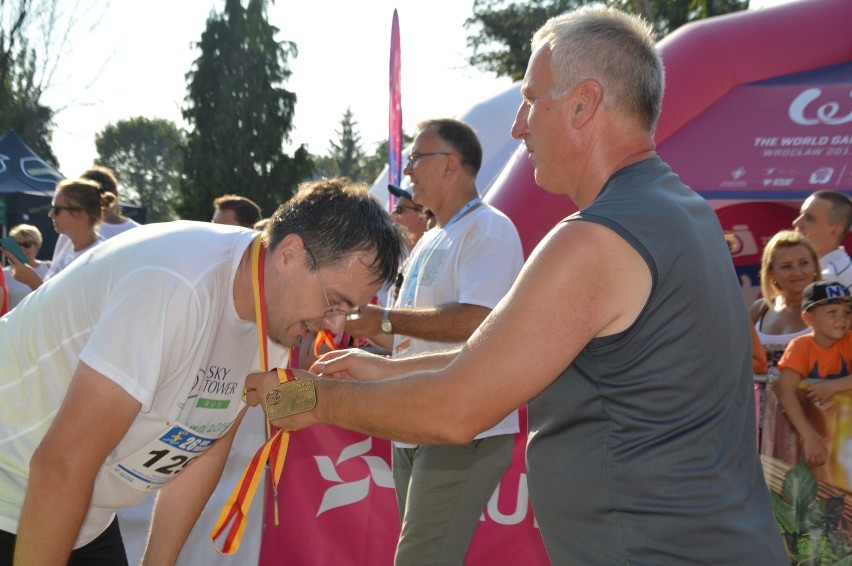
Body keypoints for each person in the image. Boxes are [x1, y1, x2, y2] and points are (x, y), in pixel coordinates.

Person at [245, 7, 787, 564]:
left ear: (583, 104)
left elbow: (456, 409)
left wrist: (315, 398)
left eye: (532, 98)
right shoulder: (679, 210)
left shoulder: (596, 240)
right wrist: (382, 370)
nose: (518, 124)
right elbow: (501, 360)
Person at [0, 178, 405, 565]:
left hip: (82, 514)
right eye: (335, 302)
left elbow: (204, 441)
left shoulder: (273, 305)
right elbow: (61, 466)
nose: (336, 325)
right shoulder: (175, 284)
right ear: (289, 254)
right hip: (16, 492)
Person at [347, 119, 524, 565]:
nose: (407, 168)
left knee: (421, 559)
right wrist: (367, 341)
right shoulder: (430, 238)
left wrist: (383, 320)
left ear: (450, 165)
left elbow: (480, 321)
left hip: (462, 423)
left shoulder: (488, 229)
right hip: (418, 418)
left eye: (416, 157)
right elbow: (408, 338)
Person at [6, 178, 114, 292]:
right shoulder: (66, 241)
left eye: (56, 209)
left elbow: (69, 308)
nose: (50, 214)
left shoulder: (97, 258)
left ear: (81, 213)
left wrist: (33, 281)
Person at [750, 230, 821, 375]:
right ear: (771, 273)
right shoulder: (759, 309)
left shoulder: (833, 309)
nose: (797, 272)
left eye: (804, 263)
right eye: (787, 266)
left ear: (814, 265)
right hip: (762, 397)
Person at [51, 165, 140, 268]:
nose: (51, 214)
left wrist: (31, 277)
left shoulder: (77, 230)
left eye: (57, 209)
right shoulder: (139, 231)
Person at [793, 190, 852, 289]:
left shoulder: (828, 279)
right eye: (800, 214)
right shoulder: (838, 268)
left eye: (809, 218)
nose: (796, 223)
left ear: (834, 231)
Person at [0, 224, 51, 308]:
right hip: (16, 320)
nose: (21, 248)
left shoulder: (50, 267)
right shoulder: (4, 274)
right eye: (16, 244)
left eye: (26, 244)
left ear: (38, 246)